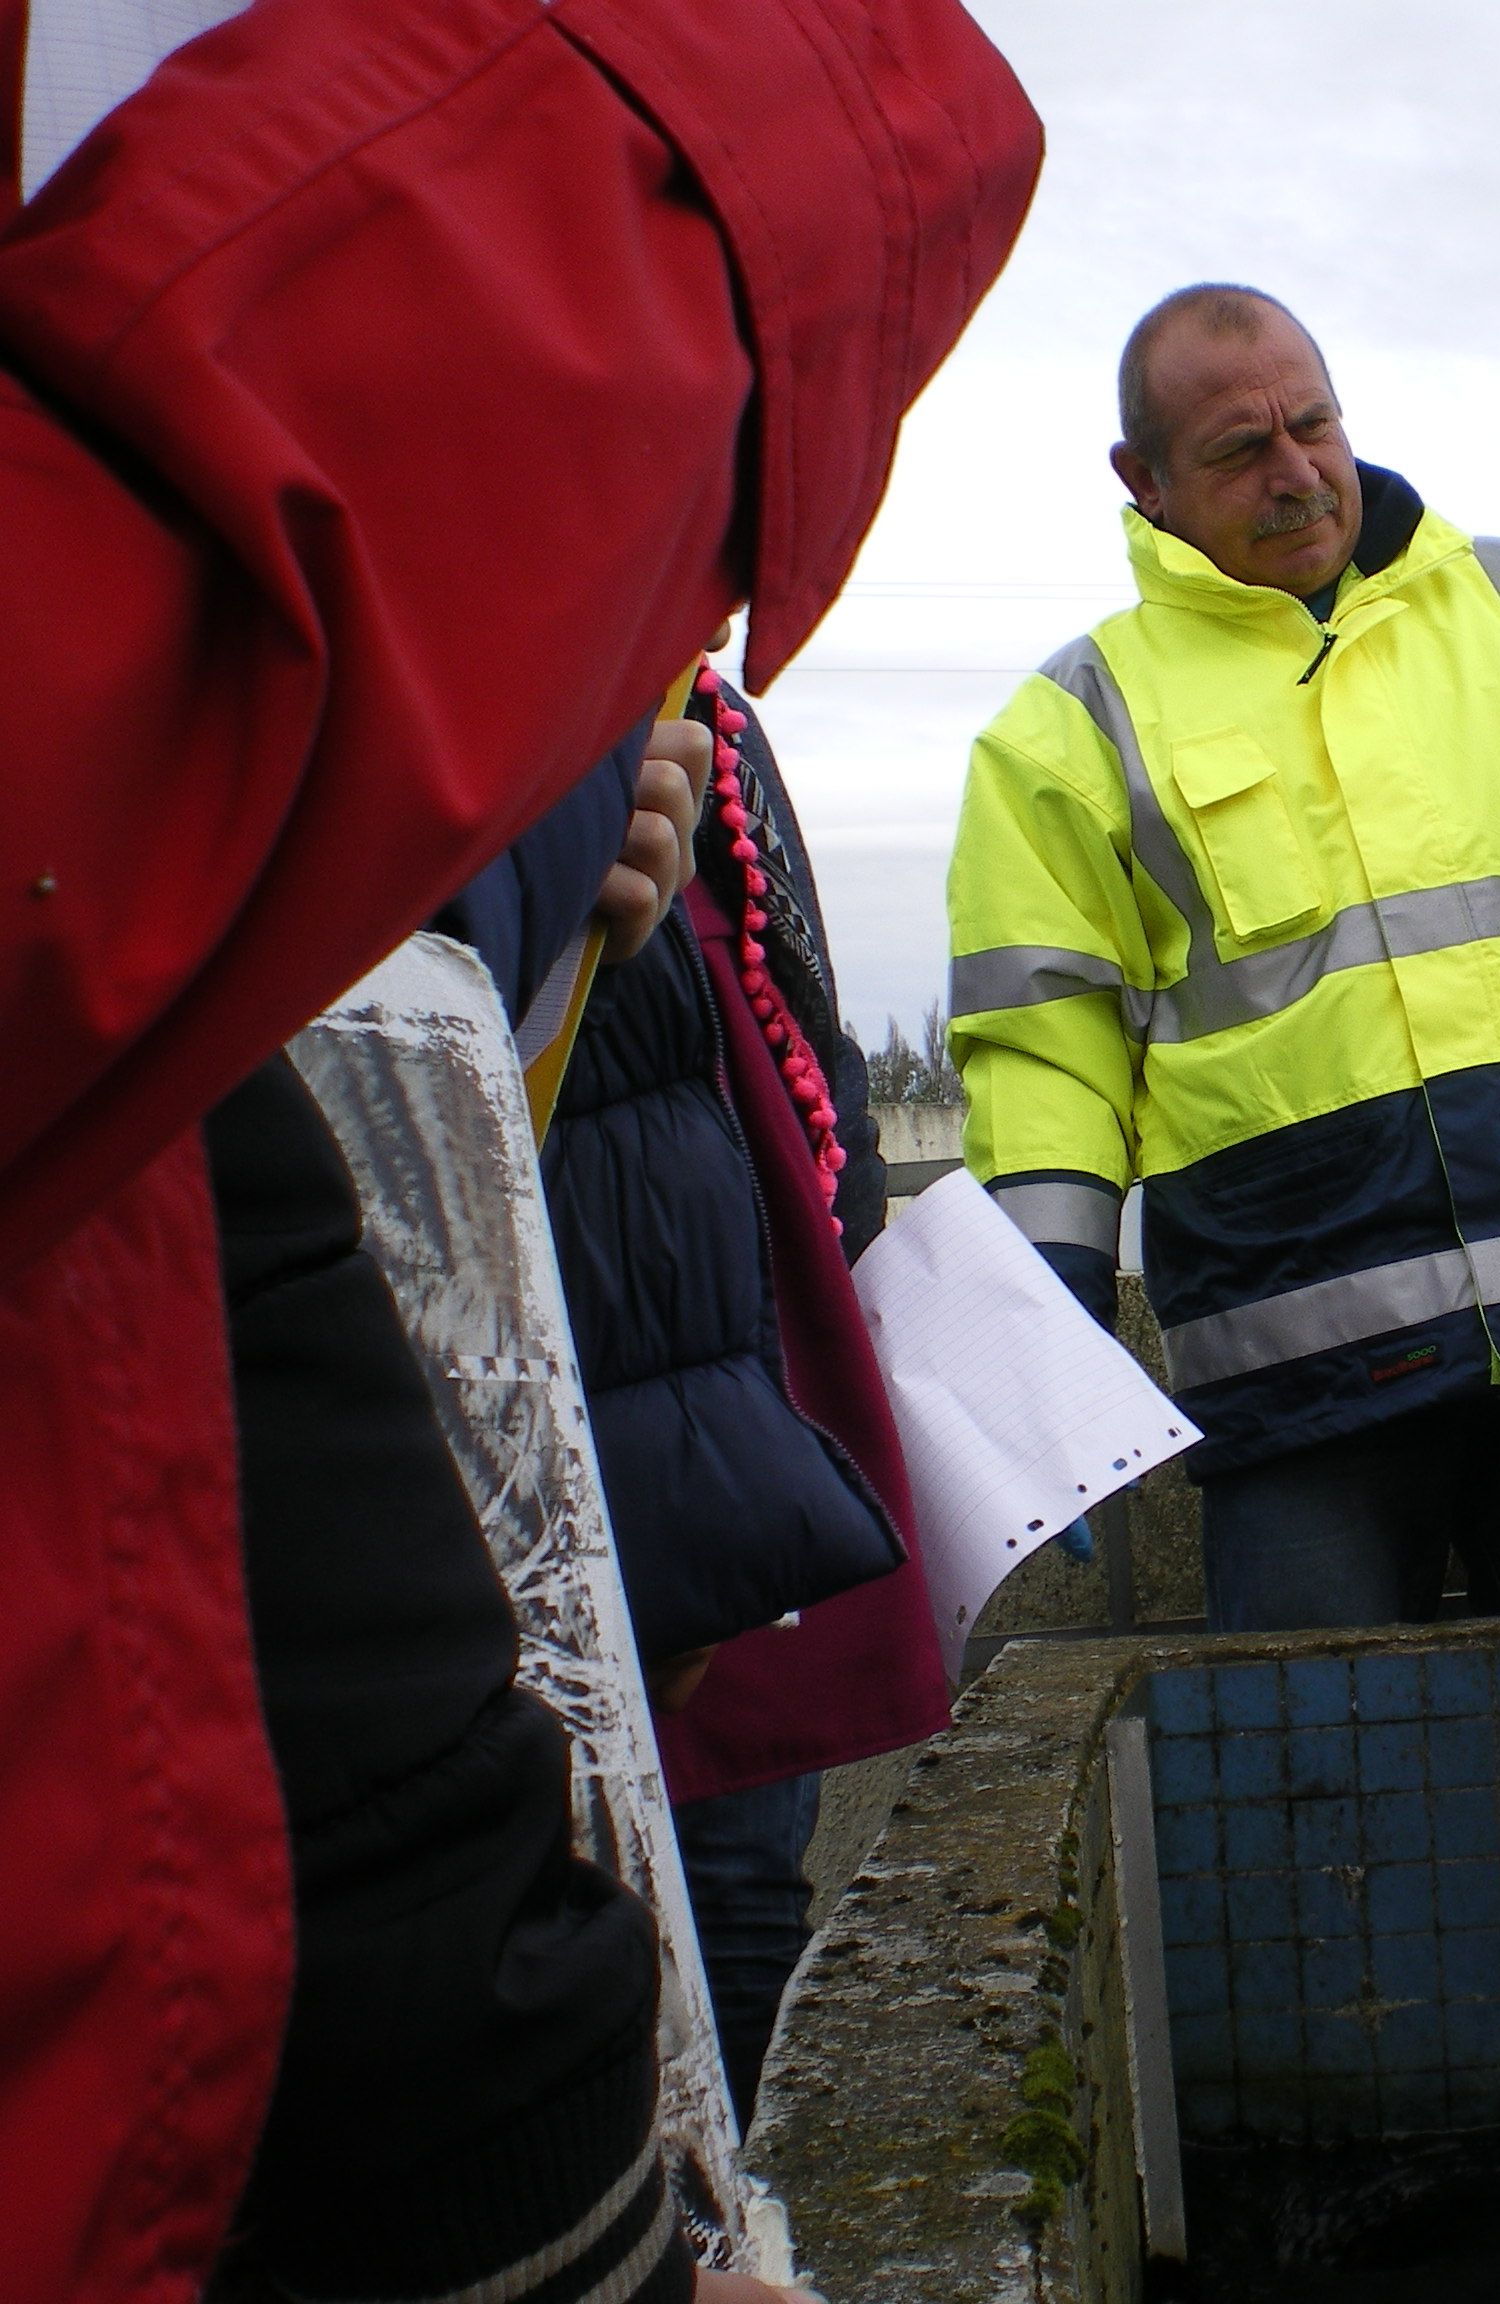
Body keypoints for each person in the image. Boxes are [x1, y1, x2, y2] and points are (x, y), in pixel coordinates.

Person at [0, 0, 1038, 2294]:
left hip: (608, 1512)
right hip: (421, 1615)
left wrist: (561, 889)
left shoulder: (693, 740)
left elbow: (711, 1101)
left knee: (728, 1922)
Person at [946, 284, 1500, 1634]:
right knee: (1310, 1758)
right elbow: (1043, 1050)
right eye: (1239, 450)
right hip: (1298, 1393)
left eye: (1313, 424)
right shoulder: (1071, 728)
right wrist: (1049, 1322)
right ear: (1143, 481)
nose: (1297, 472)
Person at [542, 661, 954, 2123]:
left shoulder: (710, 725)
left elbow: (805, 1039)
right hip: (559, 1415)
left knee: (737, 1891)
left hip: (729, 1398)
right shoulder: (498, 709)